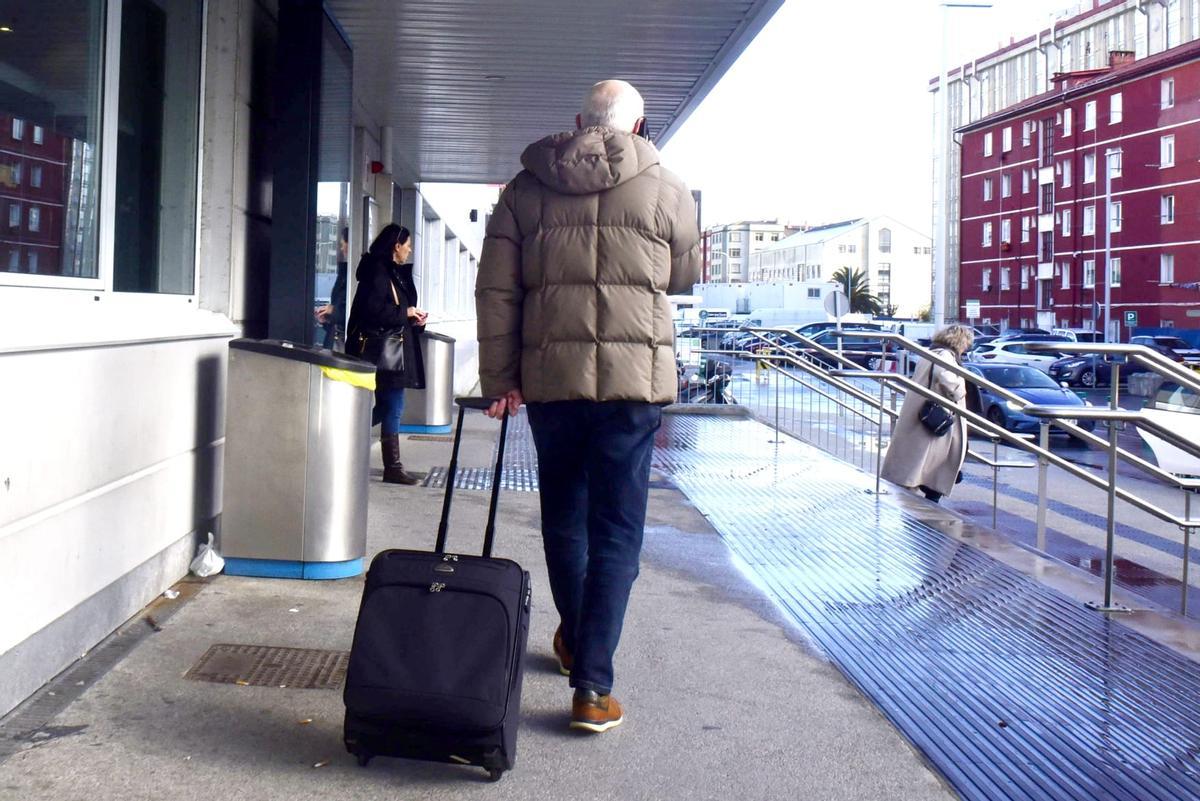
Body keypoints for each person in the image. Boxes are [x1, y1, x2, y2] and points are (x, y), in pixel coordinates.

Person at [476, 79, 701, 733]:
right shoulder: (669, 187)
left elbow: (497, 290)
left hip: (553, 380)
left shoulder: (525, 189)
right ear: (638, 128)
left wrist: (501, 379)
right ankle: (593, 687)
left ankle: (576, 638)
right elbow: (682, 275)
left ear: (578, 123)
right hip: (632, 388)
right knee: (616, 531)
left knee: (565, 519)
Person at [347, 224, 427, 485]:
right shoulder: (380, 273)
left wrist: (414, 319)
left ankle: (343, 434)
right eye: (407, 245)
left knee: (386, 406)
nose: (410, 249)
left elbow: (391, 310)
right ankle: (392, 467)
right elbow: (373, 311)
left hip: (389, 351)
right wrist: (405, 314)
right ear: (396, 246)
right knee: (393, 406)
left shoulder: (391, 273)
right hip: (385, 353)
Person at [880, 324, 975, 503]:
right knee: (938, 463)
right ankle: (930, 501)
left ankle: (926, 493)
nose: (965, 348)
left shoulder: (930, 352)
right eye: (966, 344)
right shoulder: (945, 355)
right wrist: (961, 390)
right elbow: (946, 378)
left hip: (923, 412)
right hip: (937, 416)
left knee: (924, 462)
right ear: (959, 341)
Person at [317, 227, 349, 350]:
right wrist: (327, 318)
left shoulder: (355, 277)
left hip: (344, 346)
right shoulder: (343, 275)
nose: (342, 248)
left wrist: (333, 311)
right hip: (335, 342)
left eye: (343, 244)